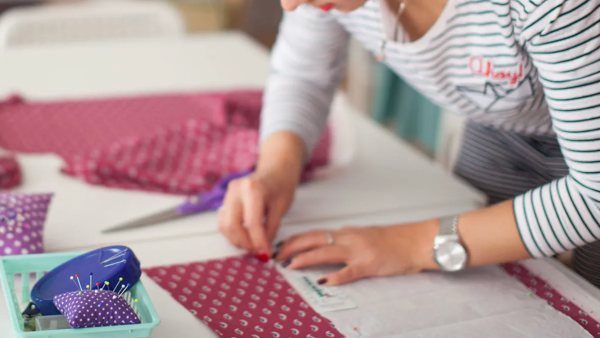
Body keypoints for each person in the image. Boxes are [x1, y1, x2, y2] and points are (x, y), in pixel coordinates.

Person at [218, 0, 600, 286]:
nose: (289, 4)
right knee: (505, 287)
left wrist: (409, 244)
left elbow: (594, 196)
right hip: (503, 129)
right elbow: (304, 75)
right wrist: (275, 171)